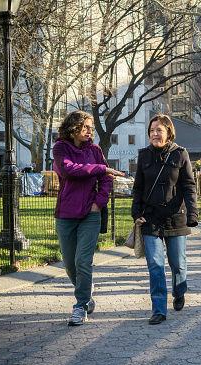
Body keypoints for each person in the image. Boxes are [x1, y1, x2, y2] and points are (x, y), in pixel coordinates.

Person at [53, 110, 123, 326]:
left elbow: (106, 180)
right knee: (70, 264)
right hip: (66, 213)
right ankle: (86, 292)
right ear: (73, 127)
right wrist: (101, 167)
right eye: (85, 127)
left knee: (83, 261)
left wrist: (98, 204)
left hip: (89, 214)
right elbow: (68, 170)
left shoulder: (94, 150)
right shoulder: (60, 148)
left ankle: (80, 305)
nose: (89, 131)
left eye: (91, 128)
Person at [132, 114, 198, 325]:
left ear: (169, 132)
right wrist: (136, 212)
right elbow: (138, 188)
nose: (154, 134)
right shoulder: (143, 156)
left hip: (176, 217)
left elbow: (189, 186)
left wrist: (192, 213)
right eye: (152, 130)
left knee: (178, 263)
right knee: (155, 265)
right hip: (150, 218)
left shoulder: (181, 154)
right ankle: (159, 309)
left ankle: (179, 291)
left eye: (159, 130)